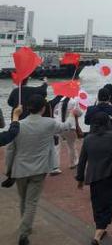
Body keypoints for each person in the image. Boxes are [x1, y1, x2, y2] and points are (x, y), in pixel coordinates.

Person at [5, 95, 75, 245]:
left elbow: (10, 149)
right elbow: (66, 126)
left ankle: (25, 226)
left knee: (23, 200)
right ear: (43, 108)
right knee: (32, 202)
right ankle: (24, 233)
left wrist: (8, 169)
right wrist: (71, 114)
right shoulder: (49, 123)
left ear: (28, 108)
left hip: (20, 168)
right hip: (39, 168)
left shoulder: (18, 125)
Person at [76, 110, 112, 244]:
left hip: (94, 177)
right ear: (107, 122)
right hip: (110, 176)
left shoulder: (88, 139)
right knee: (108, 204)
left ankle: (99, 227)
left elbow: (82, 161)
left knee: (97, 203)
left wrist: (80, 179)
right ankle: (98, 233)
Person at [51, 96, 83, 173]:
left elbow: (55, 112)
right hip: (70, 126)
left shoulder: (59, 101)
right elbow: (79, 113)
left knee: (57, 146)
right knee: (71, 145)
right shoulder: (74, 102)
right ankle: (72, 163)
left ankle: (55, 167)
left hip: (58, 125)